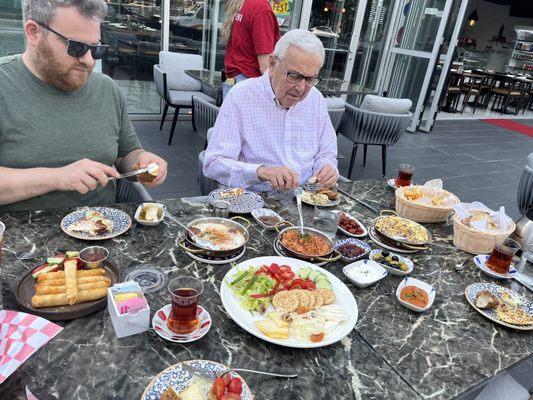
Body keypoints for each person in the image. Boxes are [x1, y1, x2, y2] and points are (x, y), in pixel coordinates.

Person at [0, 0, 168, 214]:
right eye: (77, 47)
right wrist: (56, 178)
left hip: (102, 229)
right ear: (33, 32)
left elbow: (126, 154)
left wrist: (141, 163)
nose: (89, 61)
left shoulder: (107, 90)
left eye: (95, 49)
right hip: (19, 240)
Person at [203, 29, 338, 191]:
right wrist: (260, 171)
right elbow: (213, 163)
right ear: (273, 64)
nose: (301, 88)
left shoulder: (316, 99)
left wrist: (328, 167)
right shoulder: (241, 97)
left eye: (310, 79)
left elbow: (327, 153)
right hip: (256, 203)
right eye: (294, 76)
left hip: (307, 200)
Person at [221, 0, 281, 98]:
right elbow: (265, 67)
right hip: (249, 88)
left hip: (235, 84)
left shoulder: (247, 3)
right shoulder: (262, 9)